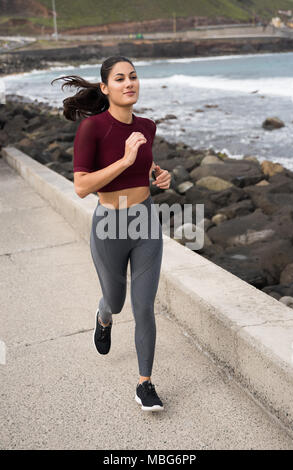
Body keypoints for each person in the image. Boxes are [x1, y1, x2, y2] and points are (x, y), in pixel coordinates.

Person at [51, 56, 171, 412]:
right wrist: (124, 159)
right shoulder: (92, 129)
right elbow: (81, 186)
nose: (129, 83)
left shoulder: (147, 126)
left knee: (144, 305)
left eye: (133, 76)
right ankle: (103, 318)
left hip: (146, 221)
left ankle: (144, 384)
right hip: (110, 225)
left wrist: (160, 176)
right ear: (105, 88)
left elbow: (146, 164)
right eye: (120, 78)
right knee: (116, 302)